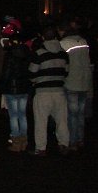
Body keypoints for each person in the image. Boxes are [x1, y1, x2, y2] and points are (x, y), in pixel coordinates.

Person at [29, 26, 70, 156]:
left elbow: (32, 73)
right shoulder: (63, 53)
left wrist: (37, 79)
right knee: (62, 121)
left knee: (41, 121)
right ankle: (64, 144)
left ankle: (41, 148)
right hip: (59, 91)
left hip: (42, 91)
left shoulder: (39, 53)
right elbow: (66, 72)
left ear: (43, 37)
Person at [0, 17, 32, 152]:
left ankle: (16, 140)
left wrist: (2, 86)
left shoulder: (10, 54)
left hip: (11, 88)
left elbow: (6, 73)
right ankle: (24, 139)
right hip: (23, 87)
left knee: (13, 115)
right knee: (22, 115)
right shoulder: (27, 53)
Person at [58, 20, 93, 151]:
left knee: (72, 113)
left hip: (71, 80)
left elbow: (63, 62)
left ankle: (72, 141)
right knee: (80, 112)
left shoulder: (64, 43)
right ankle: (80, 138)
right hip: (85, 80)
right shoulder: (83, 41)